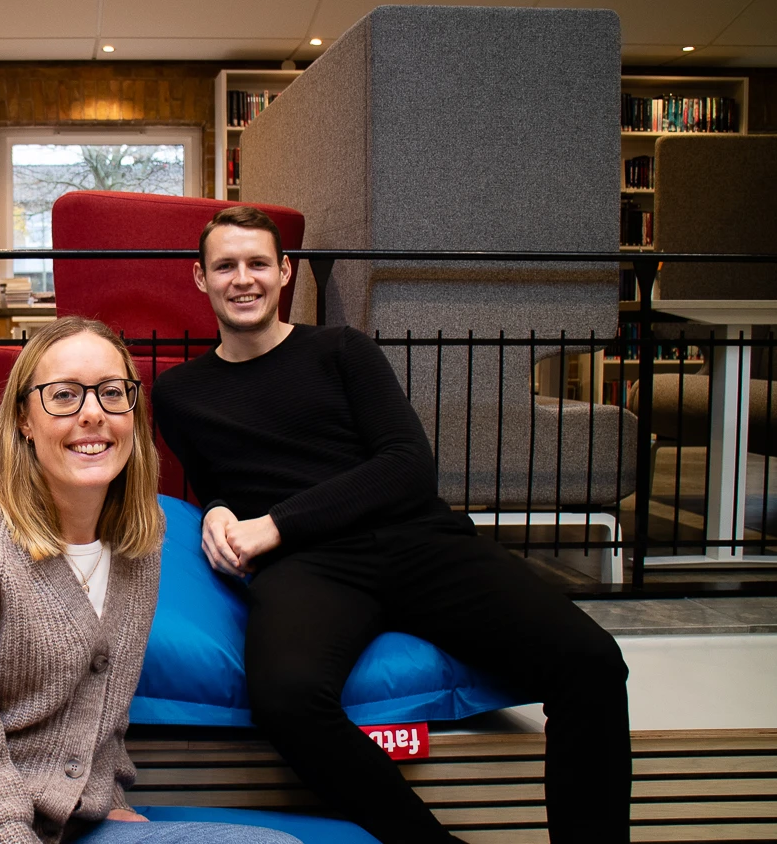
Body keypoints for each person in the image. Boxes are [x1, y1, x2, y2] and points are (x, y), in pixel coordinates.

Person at [152, 206, 631, 844]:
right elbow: (216, 479)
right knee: (286, 699)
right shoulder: (180, 392)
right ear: (200, 278)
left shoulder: (340, 349)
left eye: (259, 263)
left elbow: (407, 466)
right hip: (308, 570)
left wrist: (276, 524)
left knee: (594, 662)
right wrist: (216, 509)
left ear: (285, 271)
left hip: (413, 540)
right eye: (226, 266)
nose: (244, 279)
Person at [0, 317, 302, 844]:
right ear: (23, 418)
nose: (93, 414)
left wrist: (104, 799)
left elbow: (102, 718)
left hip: (69, 823)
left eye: (113, 393)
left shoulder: (141, 543)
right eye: (64, 395)